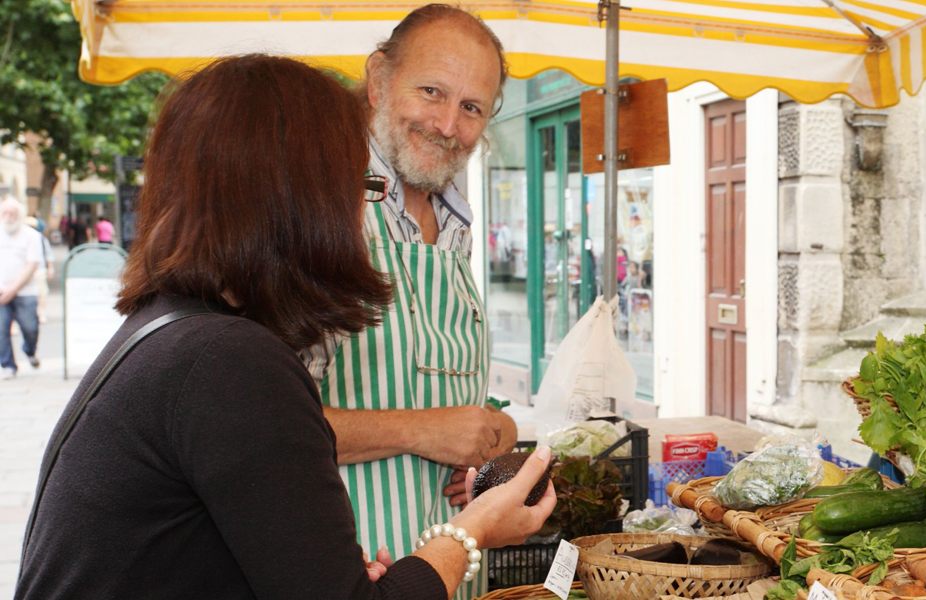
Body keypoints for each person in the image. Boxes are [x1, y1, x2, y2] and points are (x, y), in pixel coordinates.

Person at [16, 54, 553, 600]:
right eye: (357, 185)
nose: (356, 213)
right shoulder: (229, 361)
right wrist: (473, 530)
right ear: (298, 199)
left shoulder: (172, 329)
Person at [298, 7, 517, 596]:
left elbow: (441, 386)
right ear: (378, 79)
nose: (448, 124)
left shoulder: (456, 227)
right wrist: (422, 431)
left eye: (472, 108)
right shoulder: (320, 212)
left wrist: (496, 427)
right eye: (432, 92)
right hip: (353, 568)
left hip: (457, 568)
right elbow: (261, 427)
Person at [0, 199, 43, 378]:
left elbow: (32, 264)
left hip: (25, 291)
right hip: (1, 291)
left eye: (13, 213)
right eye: (5, 213)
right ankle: (8, 365)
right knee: (1, 330)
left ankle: (29, 349)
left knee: (29, 328)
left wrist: (13, 289)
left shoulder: (31, 235)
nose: (8, 217)